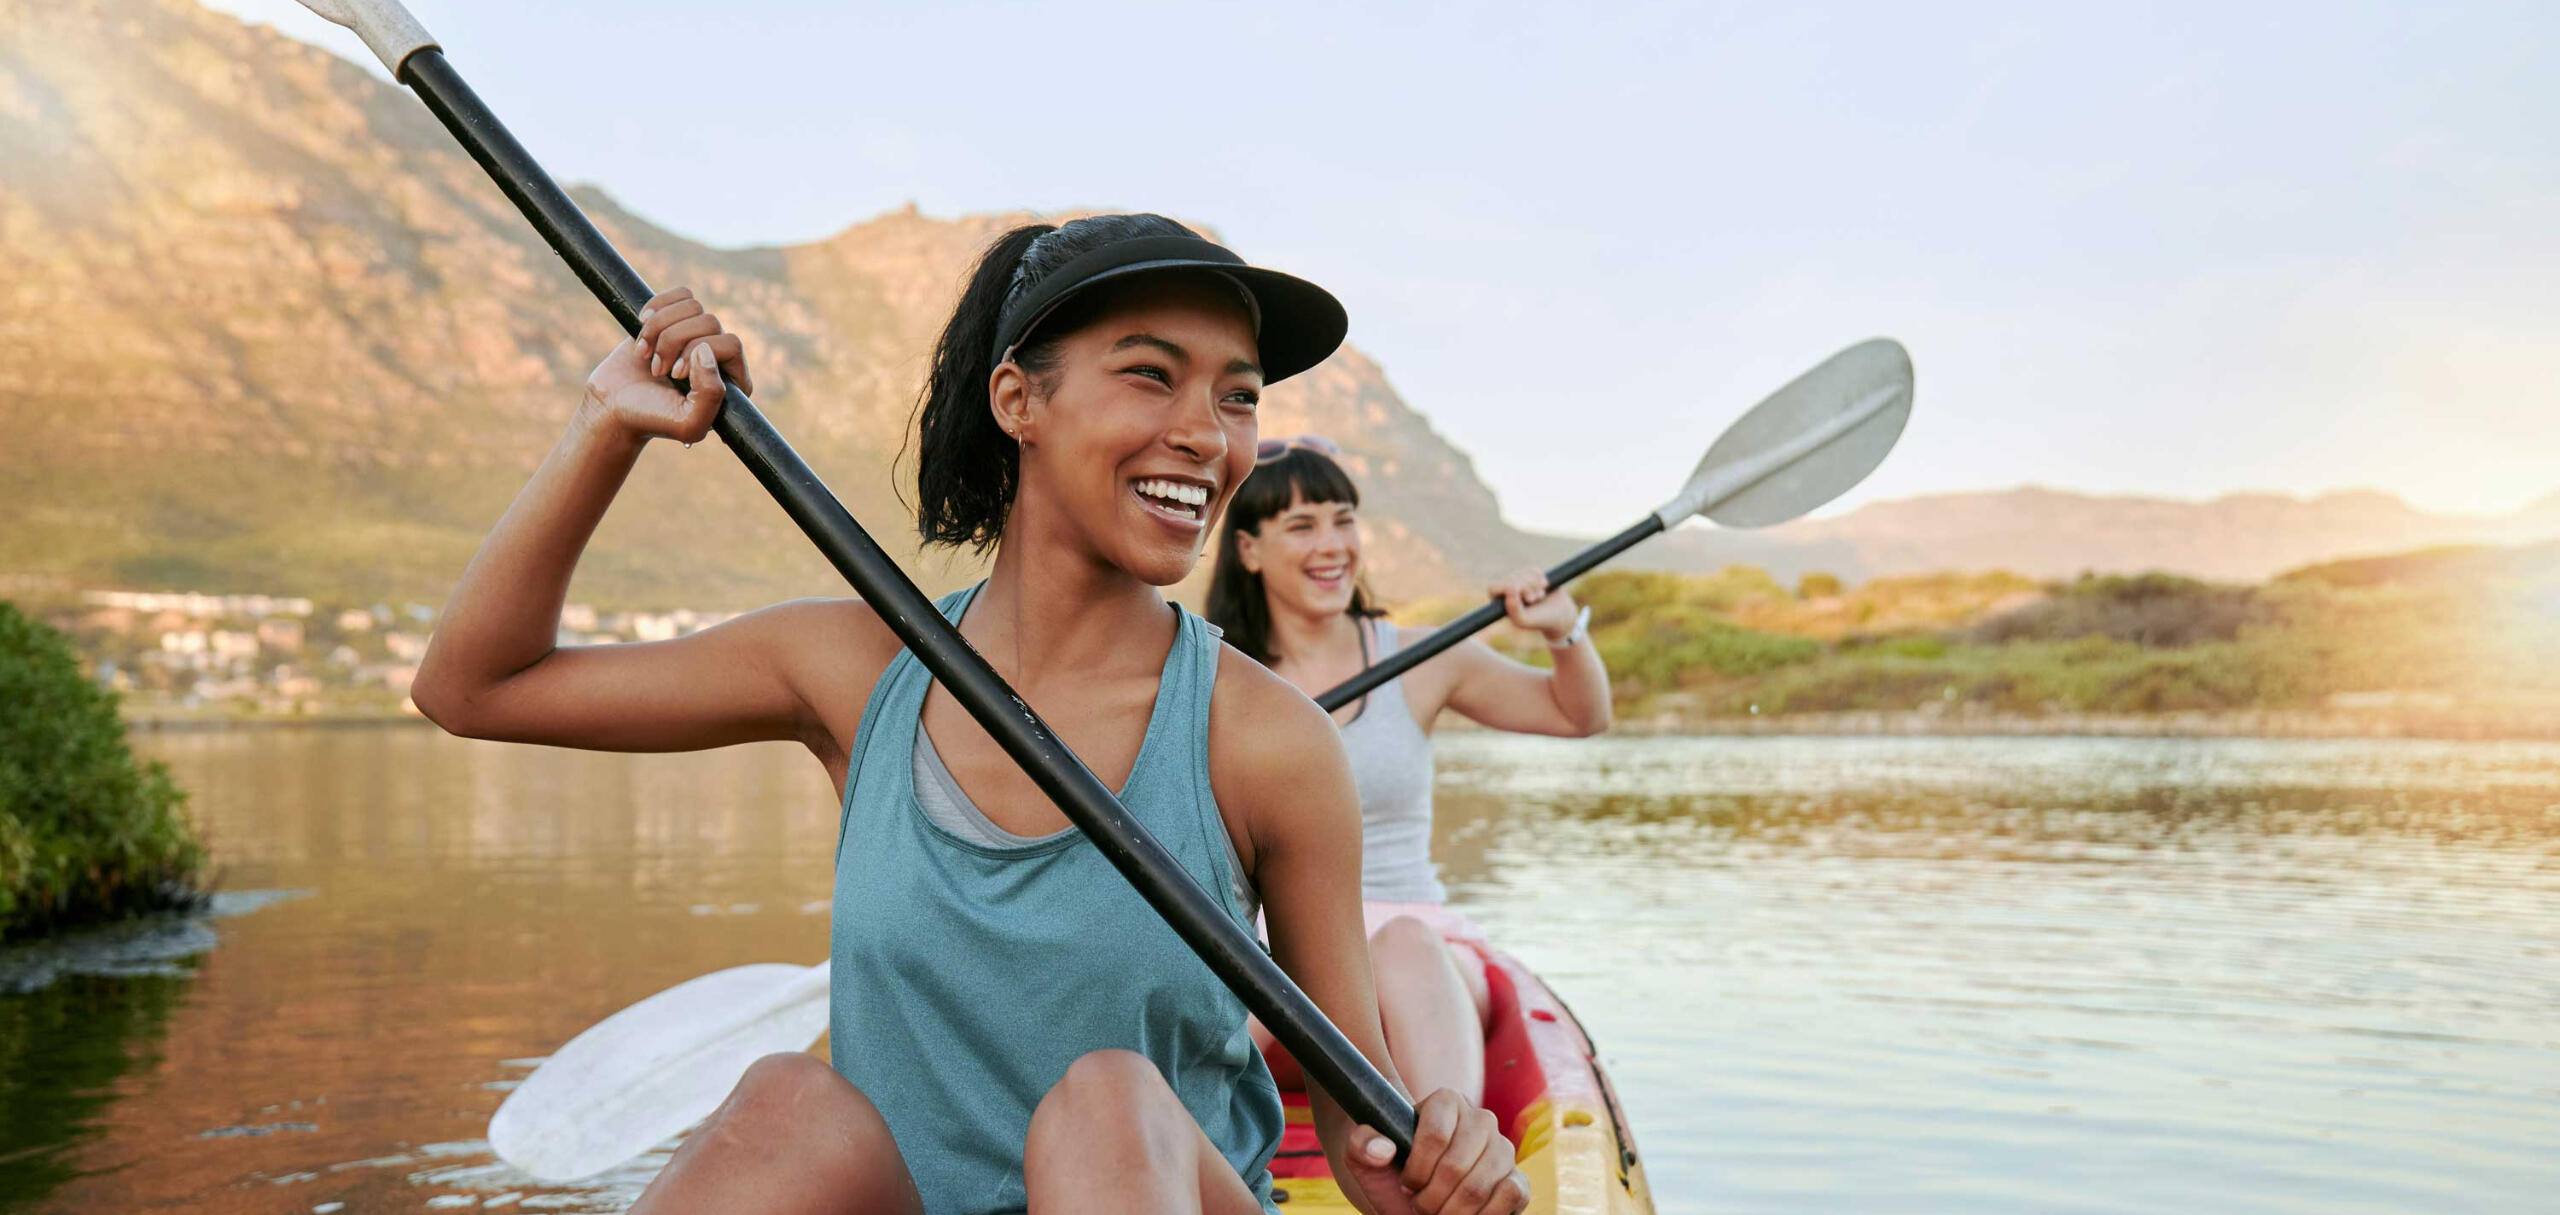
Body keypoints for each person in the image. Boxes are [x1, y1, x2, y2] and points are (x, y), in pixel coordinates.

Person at [411, 214, 1528, 1215]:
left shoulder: (1265, 737)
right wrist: (609, 424)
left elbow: (1355, 1129)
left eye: (1237, 396)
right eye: (1151, 376)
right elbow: (475, 688)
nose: (1208, 433)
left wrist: (1426, 1164)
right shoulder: (849, 666)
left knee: (1104, 1102)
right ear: (1017, 400)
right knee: (790, 1104)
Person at [1204, 440, 1612, 1104]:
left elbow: (1576, 714)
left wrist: (1563, 631)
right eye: (1302, 526)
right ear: (1249, 549)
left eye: (1343, 519)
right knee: (1251, 971)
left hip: (1419, 965)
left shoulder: (1423, 656)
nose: (1332, 544)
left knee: (1402, 944)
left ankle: (1448, 1160)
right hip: (1280, 974)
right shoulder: (1216, 679)